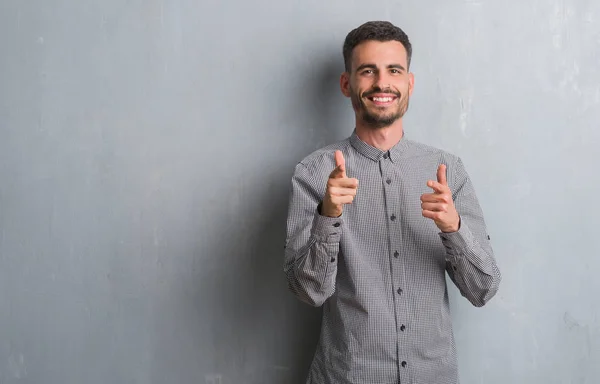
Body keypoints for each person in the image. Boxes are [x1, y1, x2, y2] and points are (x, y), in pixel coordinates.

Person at [283, 20, 501, 384]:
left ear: (408, 84)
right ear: (347, 83)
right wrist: (328, 215)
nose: (382, 83)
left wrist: (454, 228)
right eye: (368, 71)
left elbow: (483, 289)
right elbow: (309, 291)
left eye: (394, 71)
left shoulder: (447, 170)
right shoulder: (314, 172)